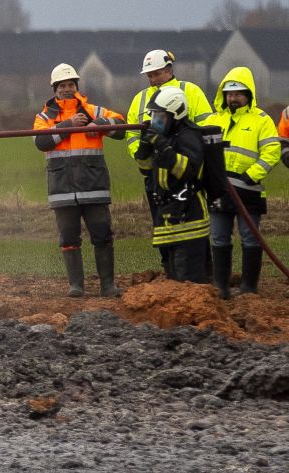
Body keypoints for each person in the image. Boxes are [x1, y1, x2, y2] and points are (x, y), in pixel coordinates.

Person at [33, 63, 126, 298]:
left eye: (71, 84)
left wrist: (101, 124)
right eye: (62, 85)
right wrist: (67, 126)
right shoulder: (44, 117)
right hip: (62, 190)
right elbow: (41, 142)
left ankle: (108, 286)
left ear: (76, 86)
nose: (67, 89)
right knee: (68, 238)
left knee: (103, 235)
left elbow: (122, 126)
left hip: (94, 188)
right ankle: (76, 286)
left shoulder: (93, 111)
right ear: (54, 89)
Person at [126, 50, 213, 277]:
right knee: (165, 235)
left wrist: (170, 146)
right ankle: (172, 277)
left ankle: (198, 280)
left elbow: (207, 128)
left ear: (168, 69)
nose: (152, 79)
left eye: (155, 74)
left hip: (186, 177)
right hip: (158, 178)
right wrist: (144, 152)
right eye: (149, 75)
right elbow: (133, 136)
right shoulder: (141, 98)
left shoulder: (190, 91)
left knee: (192, 244)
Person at [205, 68, 280, 298]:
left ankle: (249, 287)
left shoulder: (261, 120)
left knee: (250, 237)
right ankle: (222, 287)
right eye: (228, 94)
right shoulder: (213, 120)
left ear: (248, 94)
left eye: (237, 94)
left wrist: (253, 174)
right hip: (219, 190)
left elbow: (272, 151)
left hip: (248, 191)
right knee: (218, 237)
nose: (232, 98)